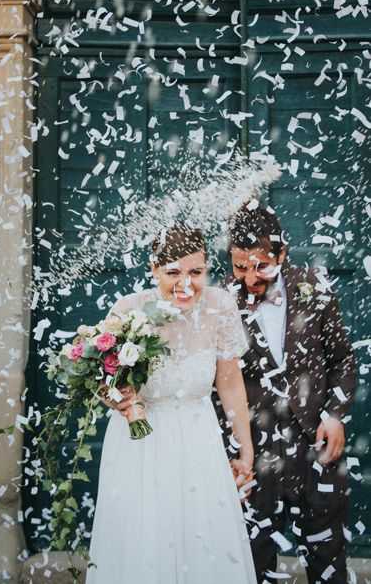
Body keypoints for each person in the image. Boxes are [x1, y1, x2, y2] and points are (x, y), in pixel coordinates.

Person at [86, 223, 257, 584]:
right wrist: (122, 401)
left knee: (203, 534)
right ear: (153, 270)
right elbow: (104, 382)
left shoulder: (220, 306)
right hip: (140, 444)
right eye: (173, 273)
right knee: (144, 537)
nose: (186, 283)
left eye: (196, 272)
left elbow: (230, 384)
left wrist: (245, 450)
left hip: (198, 438)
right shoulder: (128, 311)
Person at [222, 204, 356, 584]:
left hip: (315, 446)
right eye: (240, 267)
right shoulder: (219, 302)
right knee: (252, 559)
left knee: (327, 559)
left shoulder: (314, 287)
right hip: (252, 451)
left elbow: (343, 361)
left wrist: (334, 415)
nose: (250, 277)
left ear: (282, 254)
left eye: (261, 266)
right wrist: (231, 448)